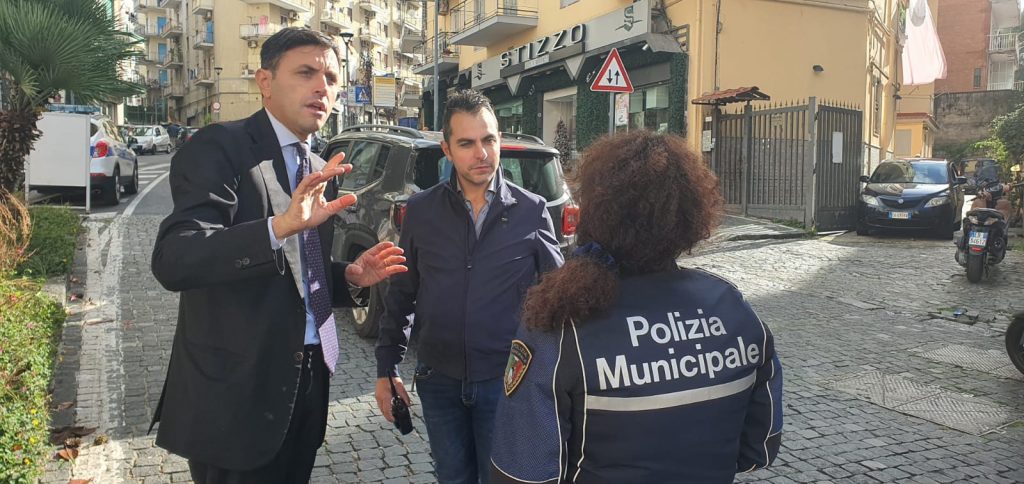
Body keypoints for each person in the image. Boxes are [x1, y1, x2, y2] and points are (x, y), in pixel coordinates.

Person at [150, 28, 407, 484]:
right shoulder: (220, 147)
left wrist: (349, 276)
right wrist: (277, 226)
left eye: (331, 78)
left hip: (307, 384)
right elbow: (175, 259)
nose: (322, 87)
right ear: (265, 82)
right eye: (306, 73)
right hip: (236, 396)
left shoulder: (317, 166)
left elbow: (296, 273)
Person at [489, 131, 784, 484]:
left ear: (597, 213)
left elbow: (521, 472)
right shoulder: (733, 307)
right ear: (691, 214)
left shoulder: (559, 324)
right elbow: (758, 449)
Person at [374, 89, 564, 484]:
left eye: (489, 140)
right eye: (467, 143)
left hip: (505, 383)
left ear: (499, 140)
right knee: (452, 478)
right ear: (447, 149)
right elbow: (402, 293)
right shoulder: (421, 212)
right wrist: (386, 368)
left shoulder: (532, 211)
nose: (482, 153)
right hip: (438, 380)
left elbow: (557, 299)